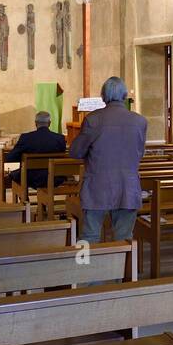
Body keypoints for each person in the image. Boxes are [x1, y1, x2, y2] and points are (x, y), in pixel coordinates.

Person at [69, 76, 147, 242]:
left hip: (97, 185)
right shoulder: (140, 121)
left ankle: (91, 268)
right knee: (124, 238)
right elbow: (139, 153)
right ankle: (122, 268)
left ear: (103, 96)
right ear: (125, 95)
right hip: (128, 185)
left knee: (91, 235)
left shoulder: (93, 119)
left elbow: (75, 152)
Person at [6, 110, 67, 191]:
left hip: (30, 178)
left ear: (35, 123)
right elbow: (61, 157)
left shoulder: (26, 138)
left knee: (15, 175)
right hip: (54, 177)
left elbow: (10, 157)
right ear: (49, 123)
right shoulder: (59, 138)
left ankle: (25, 201)